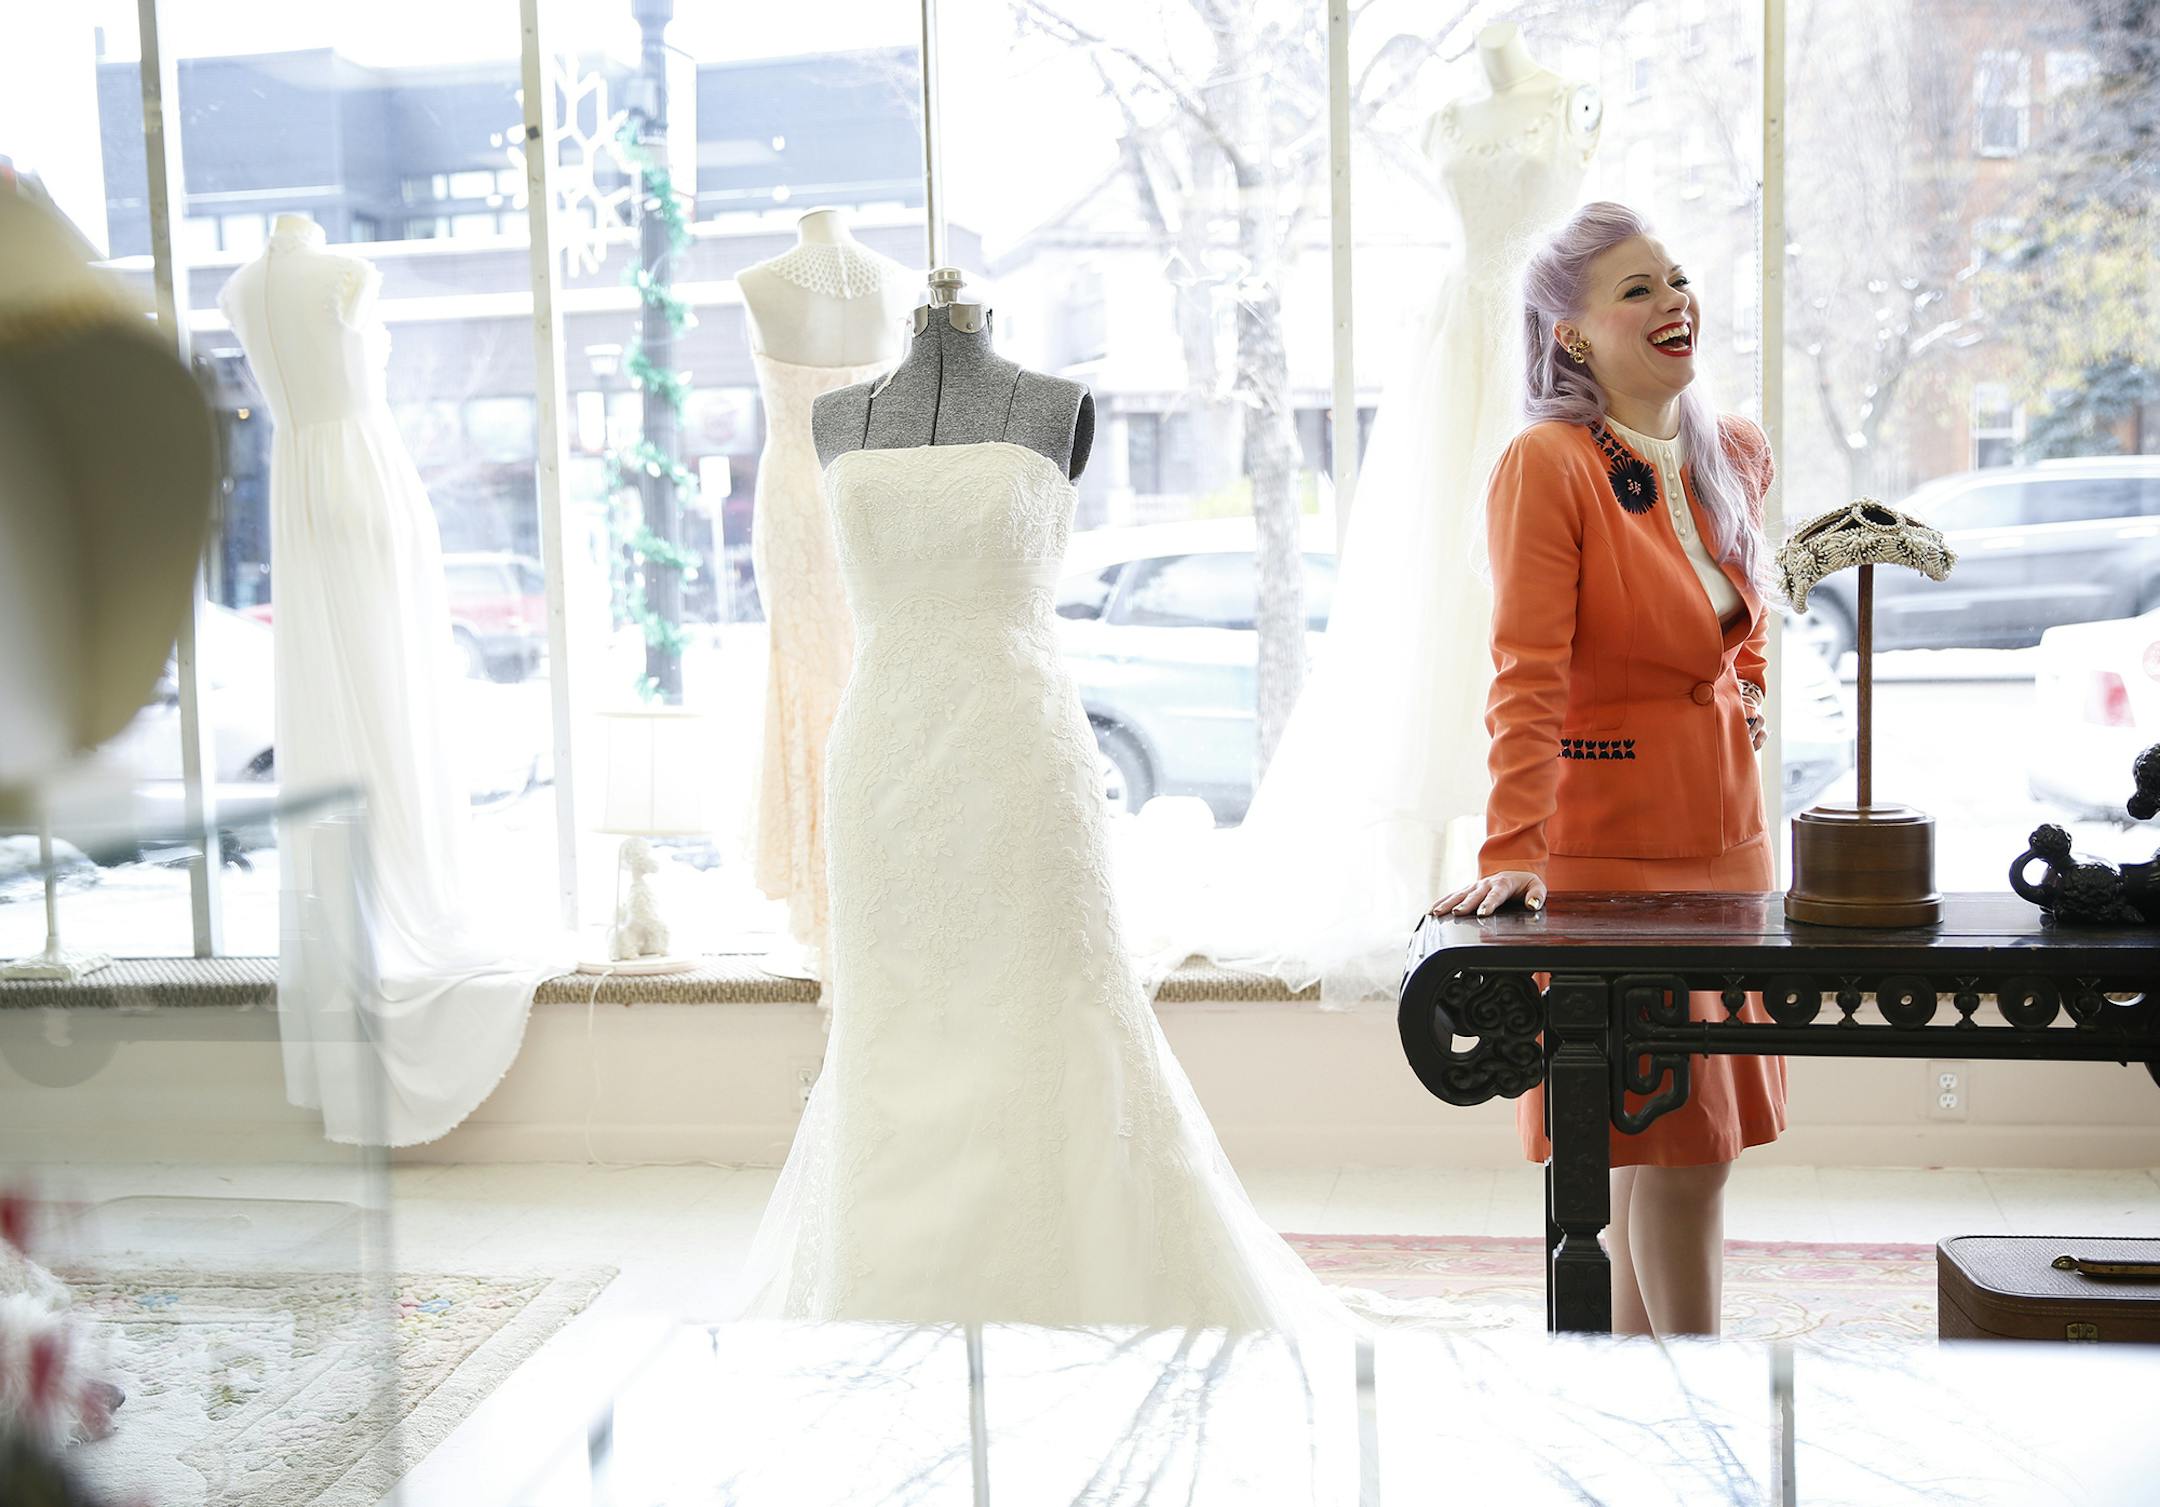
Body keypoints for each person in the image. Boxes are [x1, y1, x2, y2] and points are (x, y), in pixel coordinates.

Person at [1430, 201, 1786, 1338]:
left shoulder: (1733, 451)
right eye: (1636, 289)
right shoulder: (1546, 467)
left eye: (1676, 279)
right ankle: (1700, 1411)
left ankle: (1634, 1416)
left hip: (1727, 839)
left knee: (1670, 1153)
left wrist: (1752, 695)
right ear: (1572, 337)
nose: (1673, 301)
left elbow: (1745, 613)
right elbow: (1526, 674)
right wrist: (1511, 857)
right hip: (1610, 854)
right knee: (1675, 1152)